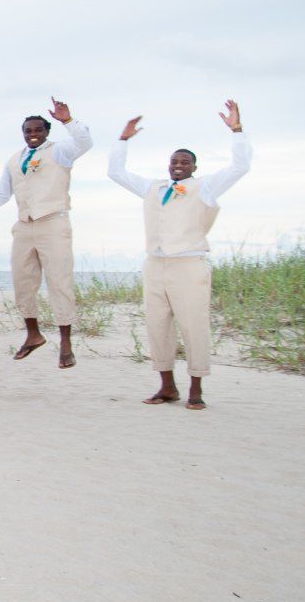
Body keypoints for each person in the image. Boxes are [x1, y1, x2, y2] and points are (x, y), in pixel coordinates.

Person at [106, 101, 251, 410]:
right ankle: (167, 387)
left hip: (189, 264)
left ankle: (196, 389)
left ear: (194, 167)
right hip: (155, 264)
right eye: (174, 161)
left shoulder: (205, 187)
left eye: (185, 162)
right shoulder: (153, 188)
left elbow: (240, 167)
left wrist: (236, 130)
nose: (179, 165)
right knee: (157, 325)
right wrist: (122, 139)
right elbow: (115, 172)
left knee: (194, 325)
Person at [0, 100, 94, 367]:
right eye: (28, 130)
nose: (33, 133)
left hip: (53, 222)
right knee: (22, 282)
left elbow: (85, 142)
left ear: (46, 131)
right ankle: (33, 334)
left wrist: (68, 120)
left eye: (38, 129)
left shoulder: (60, 151)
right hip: (24, 225)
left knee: (59, 282)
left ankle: (66, 343)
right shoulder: (14, 160)